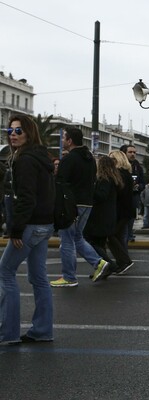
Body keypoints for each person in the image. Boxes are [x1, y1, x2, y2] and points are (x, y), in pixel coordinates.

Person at [0, 115, 55, 344]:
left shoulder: (25, 161)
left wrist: (15, 229)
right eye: (10, 130)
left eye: (19, 130)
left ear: (29, 133)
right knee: (39, 277)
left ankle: (8, 333)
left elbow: (26, 199)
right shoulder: (43, 157)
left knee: (5, 272)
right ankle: (42, 331)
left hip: (30, 226)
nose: (13, 134)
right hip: (45, 224)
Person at [50, 128, 110, 287]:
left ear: (70, 141)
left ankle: (69, 277)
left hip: (71, 205)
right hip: (87, 203)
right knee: (77, 237)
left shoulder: (69, 160)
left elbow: (61, 183)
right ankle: (98, 263)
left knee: (67, 240)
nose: (62, 140)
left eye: (64, 138)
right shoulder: (90, 158)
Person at [84, 156, 122, 275]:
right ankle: (104, 269)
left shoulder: (104, 179)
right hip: (108, 215)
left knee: (91, 241)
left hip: (100, 216)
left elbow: (101, 196)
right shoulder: (114, 179)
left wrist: (90, 189)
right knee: (99, 243)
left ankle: (110, 265)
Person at [106, 150, 135, 274]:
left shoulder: (119, 174)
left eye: (112, 159)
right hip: (126, 210)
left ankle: (124, 260)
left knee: (111, 236)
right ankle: (121, 262)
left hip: (121, 210)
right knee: (119, 237)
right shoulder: (126, 174)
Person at [121, 144, 145, 243]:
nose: (133, 154)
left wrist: (139, 186)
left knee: (131, 217)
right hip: (122, 196)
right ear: (124, 153)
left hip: (133, 196)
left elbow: (143, 182)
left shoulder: (137, 166)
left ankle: (129, 235)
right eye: (130, 152)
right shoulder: (120, 165)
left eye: (134, 152)